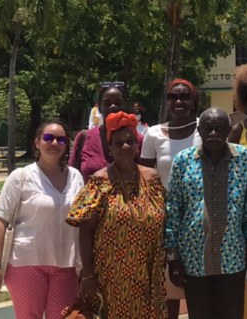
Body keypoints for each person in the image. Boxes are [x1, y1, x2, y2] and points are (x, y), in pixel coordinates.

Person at [67, 111, 166, 318]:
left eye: (130, 141)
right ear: (110, 149)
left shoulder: (152, 179)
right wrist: (87, 274)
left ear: (137, 145)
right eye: (119, 142)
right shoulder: (100, 181)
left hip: (148, 272)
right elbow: (85, 230)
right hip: (111, 275)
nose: (125, 146)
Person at [165, 108, 247, 319]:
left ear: (229, 130)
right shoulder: (183, 161)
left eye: (219, 128)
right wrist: (173, 258)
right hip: (194, 259)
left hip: (233, 259)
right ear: (199, 130)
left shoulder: (243, 158)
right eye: (208, 129)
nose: (213, 134)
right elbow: (172, 210)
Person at [0, 121, 83, 319]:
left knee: (64, 317)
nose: (54, 142)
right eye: (48, 138)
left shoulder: (76, 177)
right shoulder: (20, 177)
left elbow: (83, 220)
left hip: (66, 265)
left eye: (61, 139)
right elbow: (0, 220)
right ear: (37, 142)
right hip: (26, 263)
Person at [140, 79, 202, 319]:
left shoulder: (204, 129)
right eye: (173, 97)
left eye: (184, 96)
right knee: (168, 292)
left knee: (197, 288)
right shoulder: (153, 133)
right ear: (166, 101)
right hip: (164, 221)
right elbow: (144, 177)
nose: (178, 101)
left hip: (198, 218)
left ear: (193, 100)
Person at [70, 81, 142, 183]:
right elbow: (71, 177)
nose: (113, 106)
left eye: (118, 102)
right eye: (107, 103)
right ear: (99, 107)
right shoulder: (84, 137)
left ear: (125, 105)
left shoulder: (138, 140)